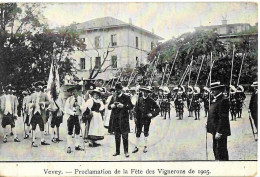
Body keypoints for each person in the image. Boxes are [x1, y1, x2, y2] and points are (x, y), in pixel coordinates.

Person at [108, 83, 133, 158]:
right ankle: (117, 151)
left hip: (124, 119)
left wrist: (123, 106)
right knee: (117, 136)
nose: (116, 91)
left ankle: (126, 151)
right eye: (116, 90)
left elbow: (131, 106)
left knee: (125, 136)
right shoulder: (113, 97)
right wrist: (113, 105)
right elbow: (109, 107)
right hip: (115, 119)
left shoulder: (126, 97)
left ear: (121, 90)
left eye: (118, 90)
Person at [207, 82, 230, 161]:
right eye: (211, 89)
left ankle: (224, 166)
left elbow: (223, 118)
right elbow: (213, 113)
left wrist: (219, 132)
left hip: (220, 130)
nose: (212, 91)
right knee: (216, 148)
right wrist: (208, 122)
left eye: (214, 90)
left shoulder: (223, 100)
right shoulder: (216, 99)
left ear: (219, 90)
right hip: (215, 129)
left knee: (221, 149)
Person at [132, 87, 160, 154]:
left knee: (146, 132)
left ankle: (145, 146)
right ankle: (136, 146)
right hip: (139, 118)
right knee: (138, 132)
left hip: (147, 119)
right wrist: (135, 117)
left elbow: (158, 109)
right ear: (142, 92)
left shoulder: (151, 100)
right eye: (144, 92)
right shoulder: (139, 99)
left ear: (148, 93)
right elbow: (135, 109)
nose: (145, 93)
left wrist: (152, 114)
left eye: (147, 92)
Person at [29, 81, 50, 147]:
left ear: (40, 87)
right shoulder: (32, 95)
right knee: (33, 127)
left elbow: (48, 102)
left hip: (41, 113)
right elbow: (29, 103)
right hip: (34, 113)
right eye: (36, 87)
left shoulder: (44, 95)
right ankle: (33, 141)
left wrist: (43, 103)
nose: (37, 88)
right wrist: (31, 105)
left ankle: (42, 140)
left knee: (42, 126)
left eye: (38, 87)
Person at [64, 85, 85, 153]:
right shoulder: (69, 99)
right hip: (71, 116)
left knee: (77, 131)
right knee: (70, 131)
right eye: (72, 91)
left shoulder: (81, 99)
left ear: (77, 91)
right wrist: (73, 113)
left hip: (78, 116)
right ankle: (69, 146)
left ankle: (77, 145)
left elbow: (84, 107)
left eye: (75, 91)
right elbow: (66, 109)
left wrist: (80, 107)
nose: (73, 92)